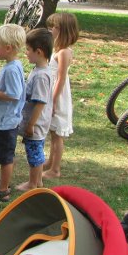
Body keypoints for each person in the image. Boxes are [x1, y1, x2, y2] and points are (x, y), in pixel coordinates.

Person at [0, 24, 26, 201]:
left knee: (5, 157)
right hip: (6, 119)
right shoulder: (13, 65)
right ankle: (3, 183)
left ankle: (3, 190)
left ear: (8, 48)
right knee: (5, 155)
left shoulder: (11, 69)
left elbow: (14, 94)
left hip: (6, 121)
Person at [16, 29, 54, 192]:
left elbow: (40, 103)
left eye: (28, 49)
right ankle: (38, 182)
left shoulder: (41, 76)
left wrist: (31, 124)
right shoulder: (40, 71)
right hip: (38, 122)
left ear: (39, 52)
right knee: (36, 151)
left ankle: (32, 184)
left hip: (36, 123)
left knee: (34, 154)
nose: (26, 53)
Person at [43, 13, 79, 179]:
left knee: (58, 135)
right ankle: (50, 161)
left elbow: (61, 78)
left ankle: (55, 169)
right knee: (53, 132)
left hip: (58, 95)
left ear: (64, 31)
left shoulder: (64, 52)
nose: (51, 30)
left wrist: (53, 100)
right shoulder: (57, 50)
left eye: (55, 27)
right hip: (52, 92)